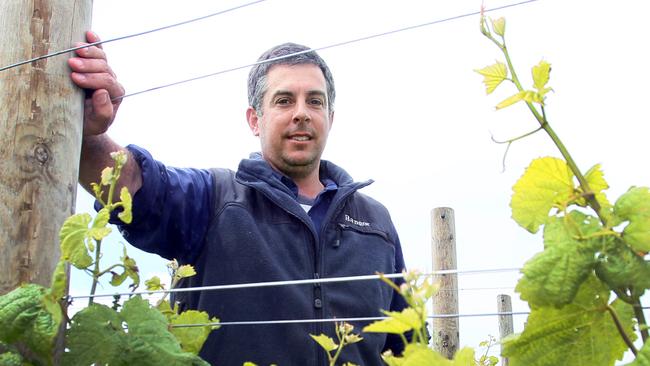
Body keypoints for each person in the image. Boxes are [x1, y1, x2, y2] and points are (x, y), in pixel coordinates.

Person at [69, 31, 409, 365]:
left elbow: (405, 347)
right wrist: (84, 130)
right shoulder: (214, 199)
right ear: (254, 120)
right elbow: (131, 184)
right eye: (284, 100)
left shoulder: (376, 223)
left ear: (330, 119)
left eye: (315, 101)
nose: (301, 113)